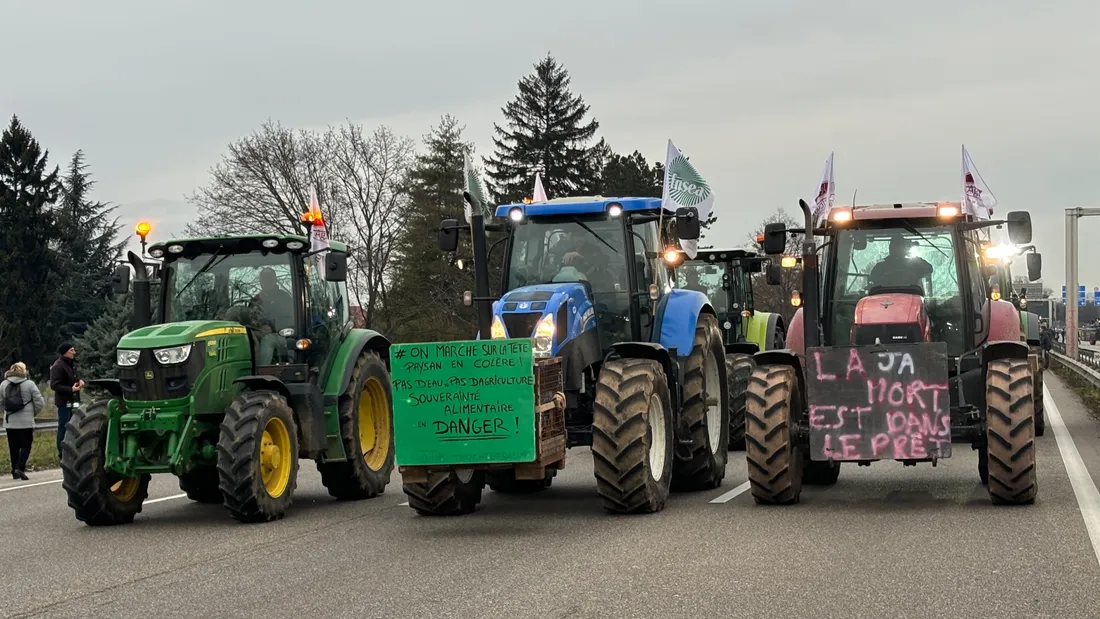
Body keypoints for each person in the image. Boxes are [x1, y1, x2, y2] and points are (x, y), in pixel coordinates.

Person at [2, 362, 46, 480]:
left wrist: (6, 412)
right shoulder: (29, 384)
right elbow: (40, 402)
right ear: (23, 371)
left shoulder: (3, 384)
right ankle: (20, 467)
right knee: (26, 445)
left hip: (10, 421)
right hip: (26, 422)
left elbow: (1, 402)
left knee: (13, 446)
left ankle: (14, 470)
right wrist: (32, 413)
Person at [49, 342, 83, 460]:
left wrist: (79, 381)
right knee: (64, 426)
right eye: (71, 350)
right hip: (64, 402)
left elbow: (73, 378)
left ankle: (73, 450)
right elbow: (54, 385)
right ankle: (62, 452)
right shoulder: (58, 366)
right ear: (65, 352)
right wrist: (70, 389)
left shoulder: (71, 364)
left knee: (75, 427)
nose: (74, 352)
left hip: (74, 400)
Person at [868, 236, 934, 292]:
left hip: (913, 301)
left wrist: (913, 257)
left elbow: (929, 269)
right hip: (884, 303)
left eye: (900, 245)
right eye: (896, 245)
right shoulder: (880, 267)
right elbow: (872, 286)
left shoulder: (914, 264)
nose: (897, 248)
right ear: (890, 248)